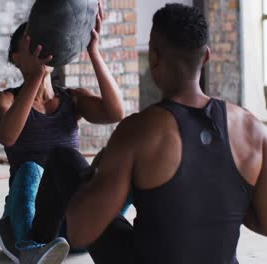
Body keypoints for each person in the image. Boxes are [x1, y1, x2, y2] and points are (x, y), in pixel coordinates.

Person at [29, 3, 267, 264]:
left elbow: (81, 230)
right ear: (207, 56)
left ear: (153, 57)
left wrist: (95, 175)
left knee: (65, 160)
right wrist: (221, 194)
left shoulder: (139, 131)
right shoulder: (254, 130)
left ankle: (32, 244)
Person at [0, 2, 128, 263]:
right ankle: (27, 247)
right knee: (30, 170)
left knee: (116, 158)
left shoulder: (71, 99)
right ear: (16, 58)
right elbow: (7, 136)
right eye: (31, 45)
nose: (41, 47)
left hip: (75, 224)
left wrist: (93, 51)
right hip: (37, 225)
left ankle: (111, 227)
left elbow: (115, 112)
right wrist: (35, 77)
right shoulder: (5, 100)